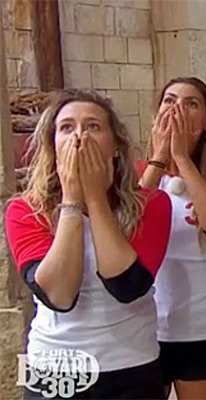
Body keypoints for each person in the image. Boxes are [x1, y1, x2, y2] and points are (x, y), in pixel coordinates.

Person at [5, 89, 172, 399]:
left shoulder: (152, 204)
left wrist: (95, 200)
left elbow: (127, 286)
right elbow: (59, 295)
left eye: (93, 126)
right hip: (54, 369)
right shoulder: (25, 210)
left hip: (130, 366)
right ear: (52, 146)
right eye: (67, 127)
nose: (79, 136)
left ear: (115, 147)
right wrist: (71, 202)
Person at [139, 77, 206, 399]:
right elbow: (129, 228)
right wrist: (160, 159)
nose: (178, 110)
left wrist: (183, 159)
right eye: (170, 101)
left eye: (191, 104)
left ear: (205, 124)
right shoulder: (139, 174)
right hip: (145, 333)